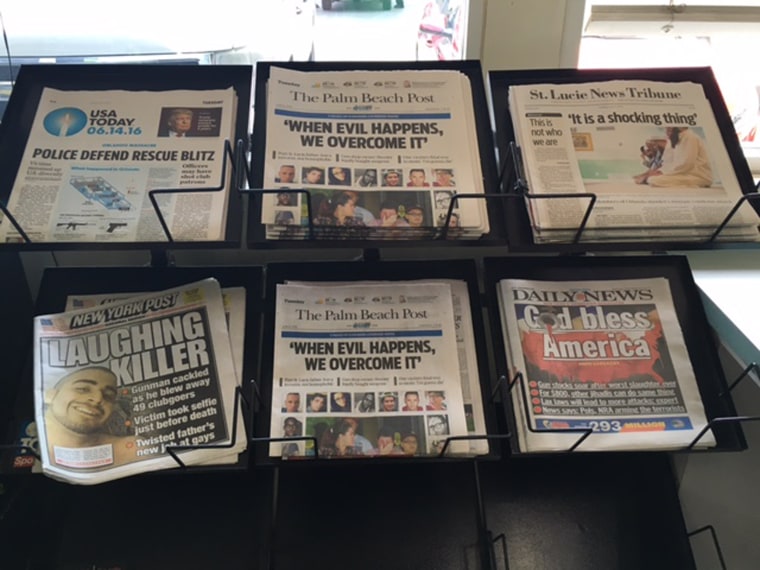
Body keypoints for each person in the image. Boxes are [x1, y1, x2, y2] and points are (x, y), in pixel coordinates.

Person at [43, 366, 137, 468]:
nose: (97, 399)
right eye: (83, 389)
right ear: (50, 395)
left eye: (108, 395)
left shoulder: (131, 450)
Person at [634, 127, 713, 187]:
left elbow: (686, 164)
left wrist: (660, 173)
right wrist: (654, 173)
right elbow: (666, 162)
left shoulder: (690, 137)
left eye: (669, 130)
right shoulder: (672, 140)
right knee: (651, 179)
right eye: (666, 130)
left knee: (653, 180)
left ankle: (701, 183)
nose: (667, 133)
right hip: (681, 173)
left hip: (697, 176)